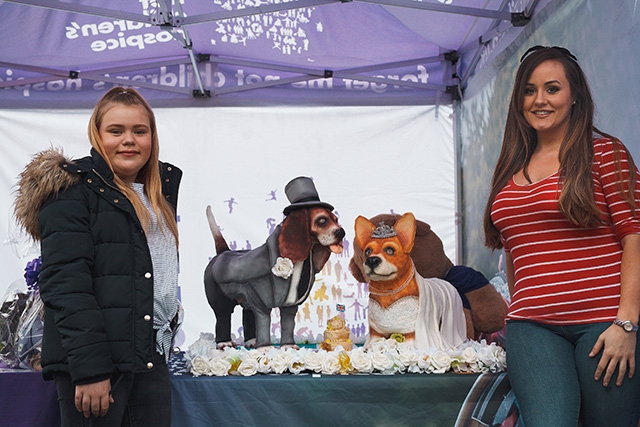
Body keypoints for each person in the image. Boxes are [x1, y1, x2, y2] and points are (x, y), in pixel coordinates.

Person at [483, 46, 640, 427]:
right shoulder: (509, 167)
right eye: (529, 90)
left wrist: (627, 324)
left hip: (603, 324)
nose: (540, 100)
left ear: (574, 97)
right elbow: (516, 252)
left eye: (552, 89)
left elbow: (634, 237)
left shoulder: (605, 153)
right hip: (532, 327)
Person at [13, 87, 182, 426]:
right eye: (116, 131)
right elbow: (66, 286)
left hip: (148, 361)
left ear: (152, 137)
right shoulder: (72, 193)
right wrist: (91, 371)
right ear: (97, 134)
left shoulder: (158, 192)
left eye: (139, 131)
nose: (129, 140)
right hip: (99, 372)